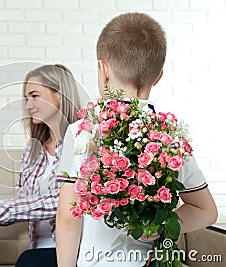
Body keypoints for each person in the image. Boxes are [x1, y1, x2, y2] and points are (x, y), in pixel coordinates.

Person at [55, 12, 218, 267]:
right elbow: (207, 212)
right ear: (158, 76)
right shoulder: (170, 140)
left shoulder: (81, 132)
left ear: (103, 69)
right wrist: (159, 224)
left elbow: (68, 219)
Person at [0, 64, 81, 267]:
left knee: (28, 262)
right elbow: (24, 204)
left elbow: (62, 203)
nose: (28, 105)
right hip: (37, 249)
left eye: (34, 95)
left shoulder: (80, 144)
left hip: (70, 251)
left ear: (59, 95)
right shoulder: (32, 150)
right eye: (26, 98)